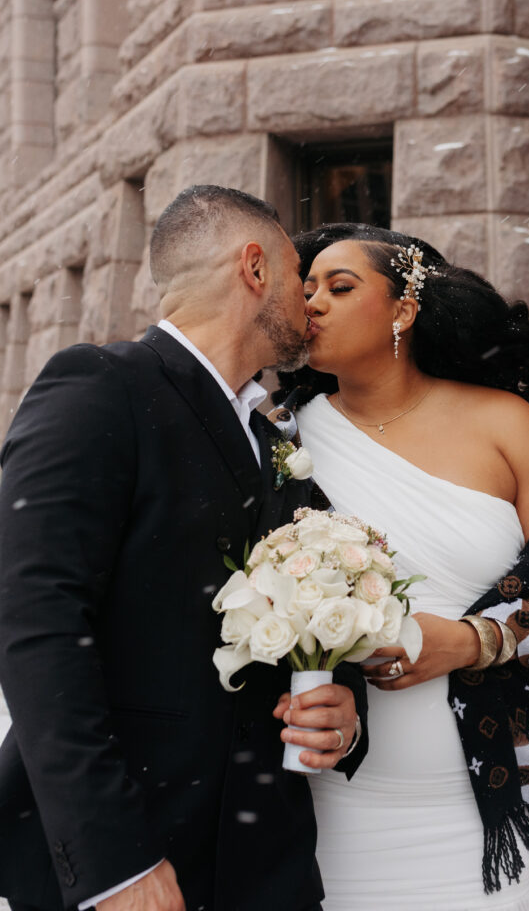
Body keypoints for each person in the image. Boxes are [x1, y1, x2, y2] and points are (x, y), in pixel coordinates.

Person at [0, 187, 368, 911]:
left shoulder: (275, 437)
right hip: (134, 852)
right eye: (300, 276)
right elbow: (37, 623)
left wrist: (342, 707)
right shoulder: (101, 385)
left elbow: (321, 595)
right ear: (254, 268)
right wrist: (113, 863)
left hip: (267, 865)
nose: (309, 299)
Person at [274, 223, 529, 911]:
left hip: (474, 807)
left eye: (339, 286)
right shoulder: (283, 438)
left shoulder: (506, 424)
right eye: (305, 290)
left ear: (403, 309)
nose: (313, 303)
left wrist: (474, 640)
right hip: (325, 799)